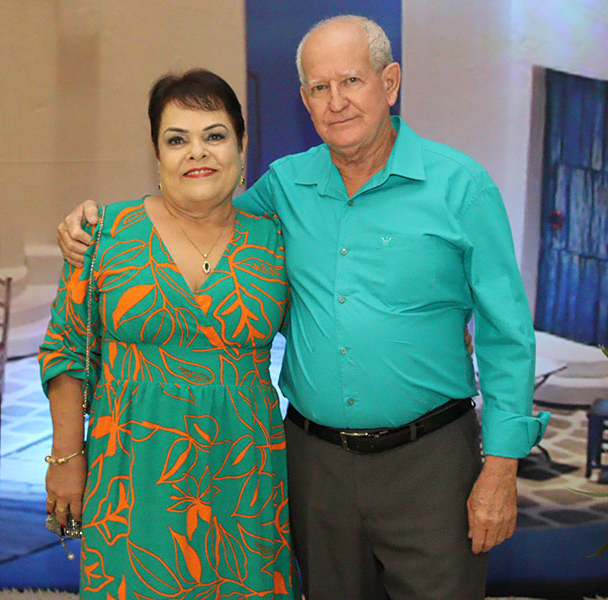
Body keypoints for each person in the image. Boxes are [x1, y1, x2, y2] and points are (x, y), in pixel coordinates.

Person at [57, 15, 549, 600]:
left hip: (431, 462)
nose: (336, 101)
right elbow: (201, 209)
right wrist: (88, 223)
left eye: (352, 81)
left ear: (390, 82)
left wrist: (502, 466)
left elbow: (506, 333)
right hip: (314, 468)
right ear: (304, 100)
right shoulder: (282, 189)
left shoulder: (461, 187)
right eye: (320, 87)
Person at [39, 69, 297, 598]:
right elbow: (66, 348)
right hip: (132, 479)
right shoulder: (104, 234)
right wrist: (66, 458)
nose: (197, 152)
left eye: (214, 135)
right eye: (177, 140)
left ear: (242, 144)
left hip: (245, 479)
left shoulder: (275, 240)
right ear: (156, 153)